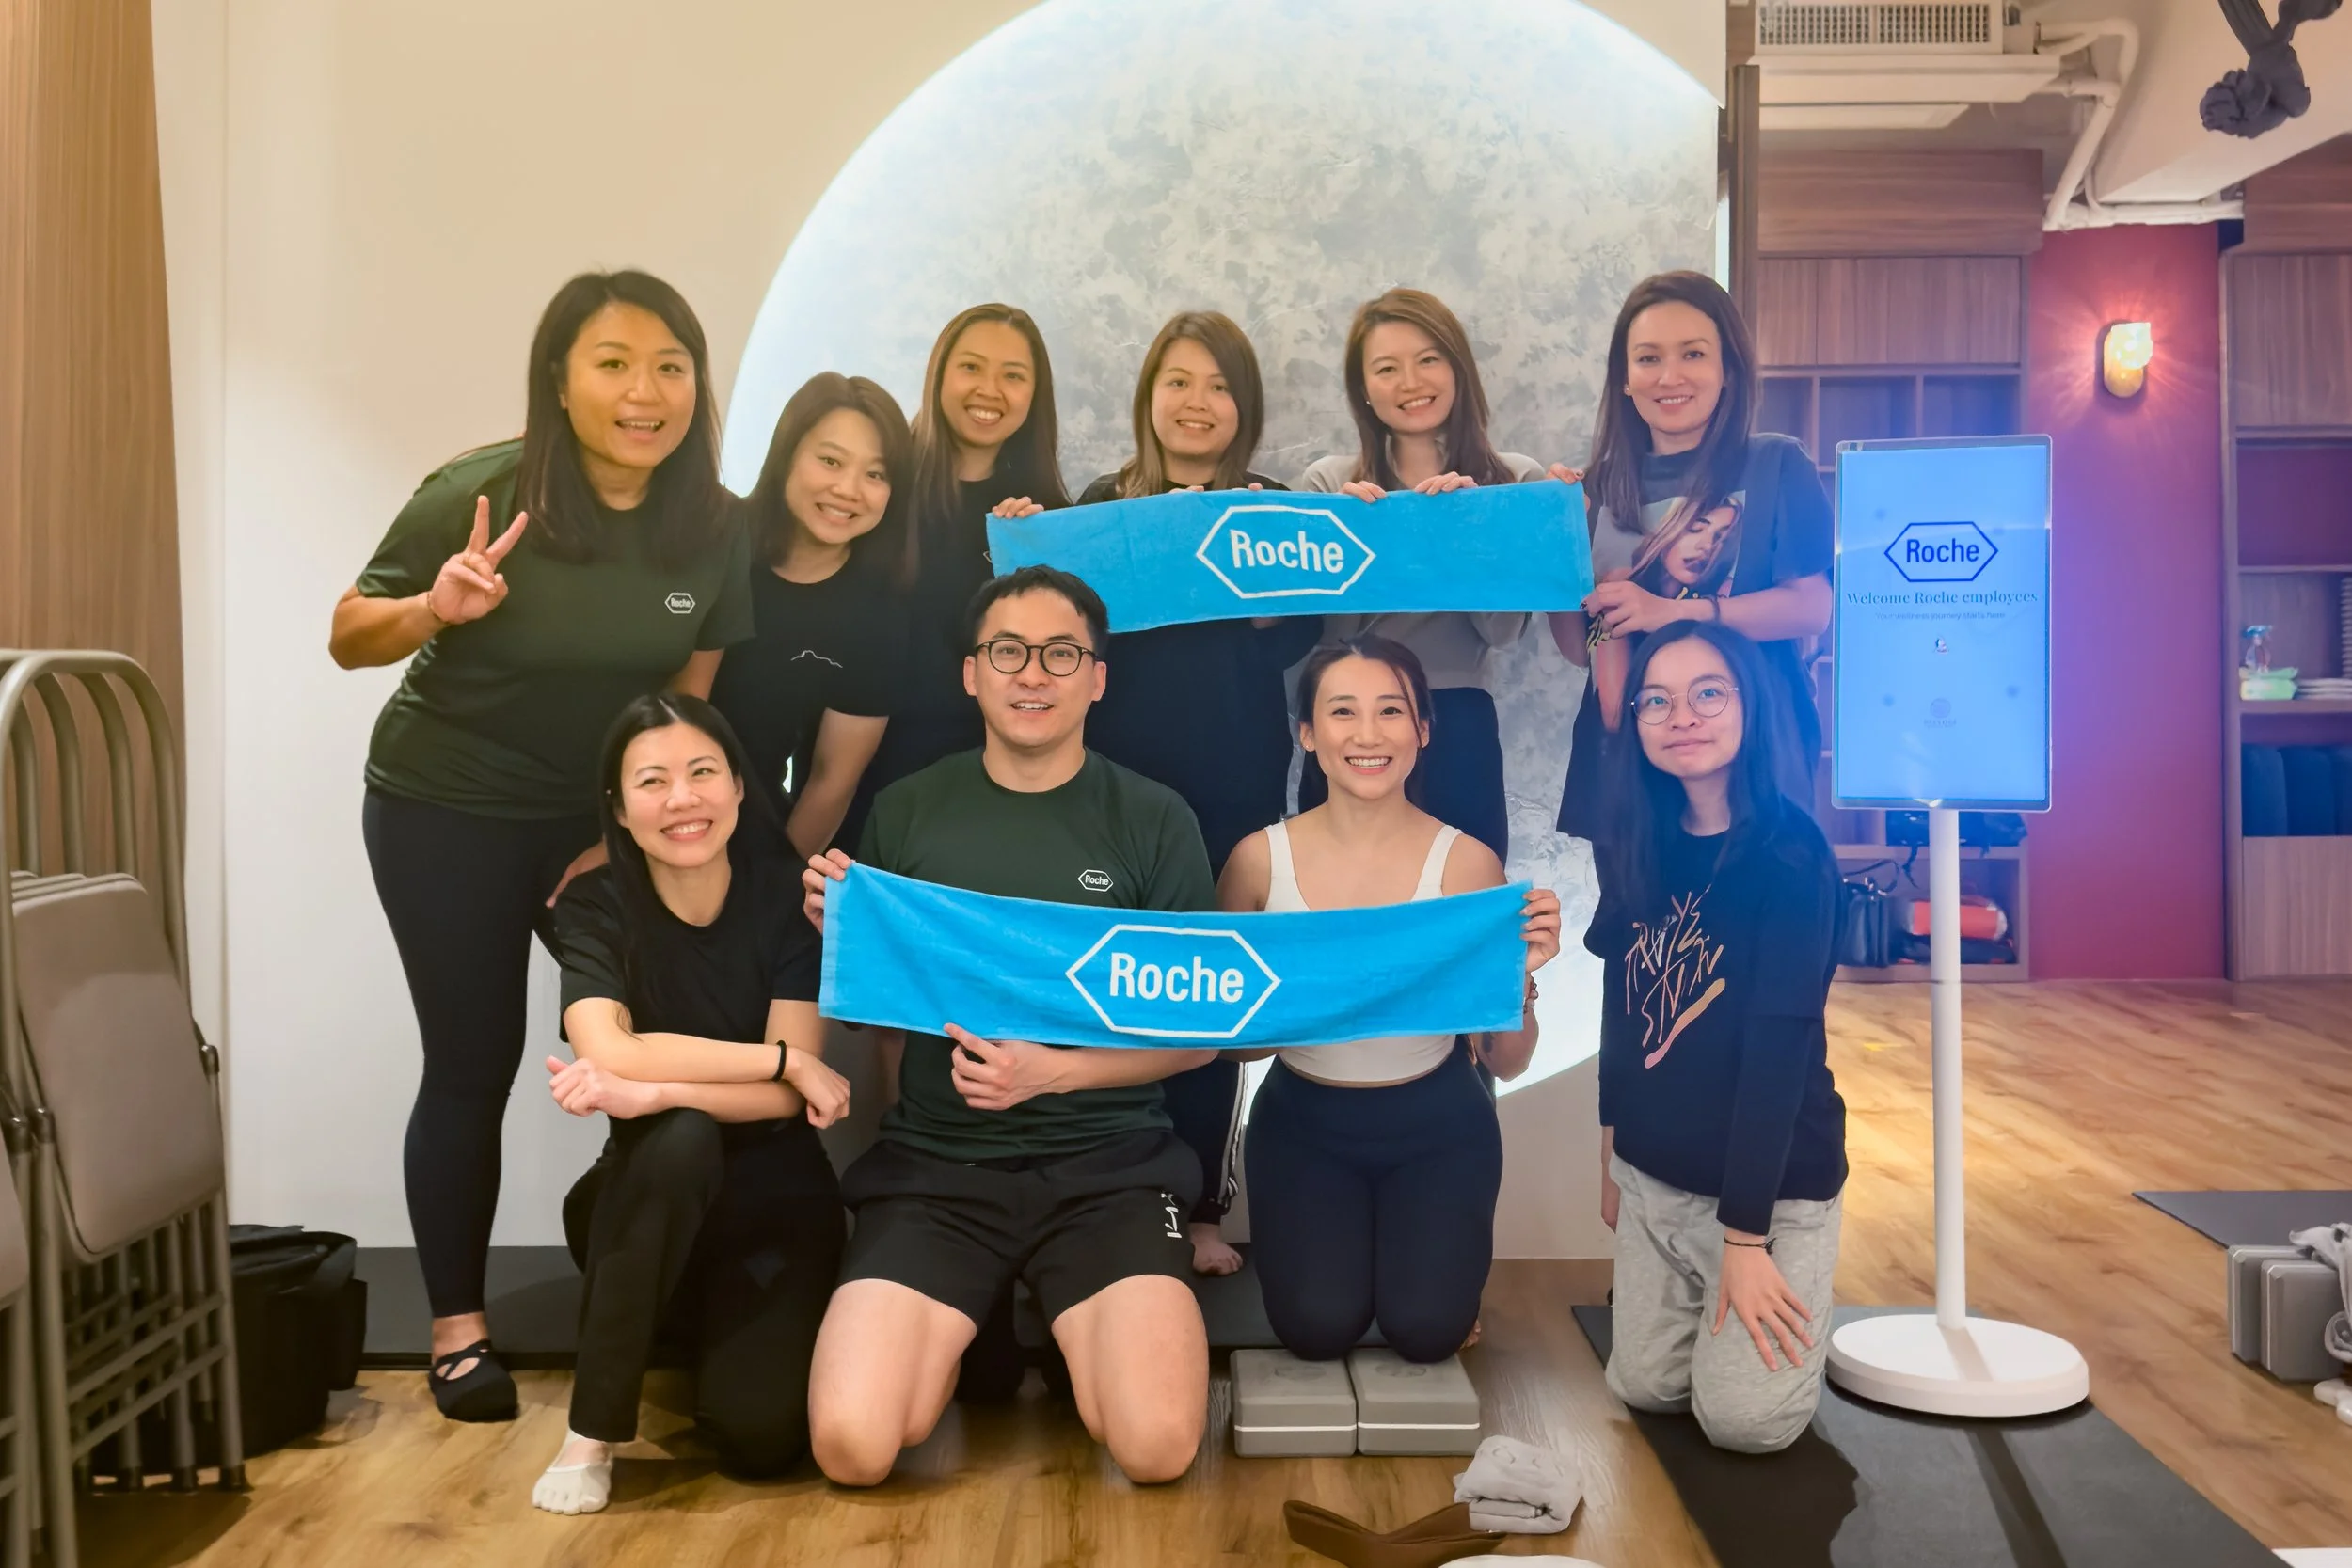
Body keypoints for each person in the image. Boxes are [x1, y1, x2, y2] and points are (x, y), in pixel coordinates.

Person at [328, 270, 750, 1422]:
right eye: (612, 363)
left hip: (587, 823)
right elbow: (348, 634)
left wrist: (620, 829)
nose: (644, 390)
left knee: (652, 1046)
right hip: (442, 807)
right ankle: (458, 1329)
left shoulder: (713, 519)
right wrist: (434, 608)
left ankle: (659, 1288)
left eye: (669, 364)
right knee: (472, 1060)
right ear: (559, 382)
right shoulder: (482, 488)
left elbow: (688, 689)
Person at [800, 565, 1214, 1488]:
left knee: (1153, 1445)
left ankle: (1025, 1333)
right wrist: (845, 933)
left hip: (1109, 1168)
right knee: (854, 1444)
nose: (1034, 673)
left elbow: (1199, 1036)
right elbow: (882, 1023)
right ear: (970, 673)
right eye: (1008, 651)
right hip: (940, 1172)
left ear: (1097, 677)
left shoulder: (1155, 818)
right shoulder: (907, 807)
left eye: (1061, 652)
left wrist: (1054, 1073)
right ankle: (971, 1328)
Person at [533, 694, 853, 1513]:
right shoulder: (594, 902)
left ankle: (693, 1332)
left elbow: (789, 1105)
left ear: (741, 787)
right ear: (619, 806)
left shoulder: (793, 898)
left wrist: (653, 1086)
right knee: (678, 1139)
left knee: (762, 1443)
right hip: (650, 1187)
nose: (683, 798)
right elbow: (608, 1049)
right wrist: (778, 1059)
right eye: (653, 780)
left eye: (703, 771)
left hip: (777, 1207)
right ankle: (591, 1430)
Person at [1219, 635, 1559, 1362]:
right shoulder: (1255, 861)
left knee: (1428, 1331)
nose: (1367, 735)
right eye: (1342, 712)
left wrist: (1521, 980)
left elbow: (1507, 1060)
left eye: (1390, 711)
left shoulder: (1468, 863)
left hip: (1438, 1126)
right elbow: (1233, 1043)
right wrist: (1319, 998)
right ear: (1307, 732)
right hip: (1301, 1124)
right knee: (1315, 1330)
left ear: (1423, 729)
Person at [1075, 309, 1321, 1277]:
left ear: (1242, 410)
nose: (1196, 402)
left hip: (1235, 786)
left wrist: (1257, 592)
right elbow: (1061, 633)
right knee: (1109, 986)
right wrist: (1018, 537)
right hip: (1108, 788)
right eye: (1178, 380)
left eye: (1218, 386)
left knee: (1209, 998)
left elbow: (1301, 629)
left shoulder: (1266, 512)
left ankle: (1201, 1208)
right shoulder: (1100, 505)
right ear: (1149, 398)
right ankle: (1098, 1192)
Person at [1587, 620, 1845, 1455]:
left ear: (1749, 707)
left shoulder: (1791, 855)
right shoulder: (1638, 839)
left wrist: (1746, 1236)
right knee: (1644, 1388)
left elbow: (1781, 1050)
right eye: (1656, 699)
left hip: (1767, 1194)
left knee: (1744, 1424)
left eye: (1708, 693)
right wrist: (1612, 1152)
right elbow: (1621, 1007)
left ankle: (1779, 1297)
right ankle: (1706, 1323)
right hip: (1658, 1176)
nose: (1681, 715)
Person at [1551, 271, 1830, 850]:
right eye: (1648, 358)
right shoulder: (1595, 488)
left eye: (1694, 354)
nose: (1670, 376)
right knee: (1640, 942)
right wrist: (1554, 545)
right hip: (1628, 766)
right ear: (1624, 380)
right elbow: (1583, 647)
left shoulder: (1775, 464)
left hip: (1752, 759)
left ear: (1727, 369)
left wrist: (1672, 614)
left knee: (1758, 936)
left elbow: (1810, 610)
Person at [1296, 287, 1559, 861]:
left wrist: (1460, 533)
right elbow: (1329, 637)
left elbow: (1504, 632)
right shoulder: (1327, 484)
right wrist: (1354, 537)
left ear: (1458, 368)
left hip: (1456, 724)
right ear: (1363, 390)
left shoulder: (1515, 480)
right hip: (1348, 719)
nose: (1410, 382)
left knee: (1460, 913)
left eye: (1428, 359)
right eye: (1387, 369)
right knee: (1339, 916)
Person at [856, 304, 1071, 819]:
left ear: (1034, 395)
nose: (989, 390)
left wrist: (1037, 566)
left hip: (994, 775)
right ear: (939, 375)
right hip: (864, 759)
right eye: (971, 367)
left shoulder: (1045, 515)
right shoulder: (880, 484)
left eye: (1013, 376)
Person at [708, 372, 913, 857]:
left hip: (749, 829)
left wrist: (771, 894)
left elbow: (831, 781)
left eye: (876, 474)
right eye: (830, 461)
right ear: (786, 456)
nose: (848, 489)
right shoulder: (717, 539)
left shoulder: (876, 612)